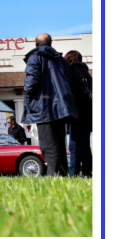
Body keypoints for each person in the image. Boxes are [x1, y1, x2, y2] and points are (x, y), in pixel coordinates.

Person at [21, 34, 77, 176]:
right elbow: (68, 82)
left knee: (48, 144)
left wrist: (27, 95)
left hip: (42, 106)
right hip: (61, 108)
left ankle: (54, 175)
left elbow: (31, 80)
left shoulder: (34, 58)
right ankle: (62, 173)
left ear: (36, 45)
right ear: (51, 43)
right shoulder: (62, 61)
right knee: (59, 143)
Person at [65, 50, 92, 177]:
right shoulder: (87, 74)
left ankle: (73, 173)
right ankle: (88, 172)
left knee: (74, 145)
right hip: (88, 114)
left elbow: (69, 94)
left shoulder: (71, 72)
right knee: (85, 145)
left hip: (77, 113)